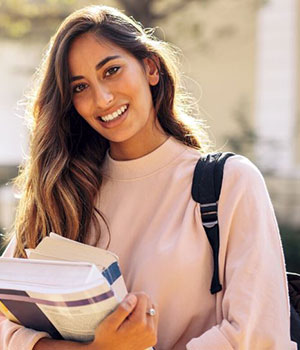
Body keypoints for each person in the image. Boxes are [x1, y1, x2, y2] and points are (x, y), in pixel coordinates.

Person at [0, 4, 297, 350]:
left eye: (111, 70)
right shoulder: (64, 193)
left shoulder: (229, 183)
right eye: (80, 87)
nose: (103, 98)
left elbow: (258, 336)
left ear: (150, 67)